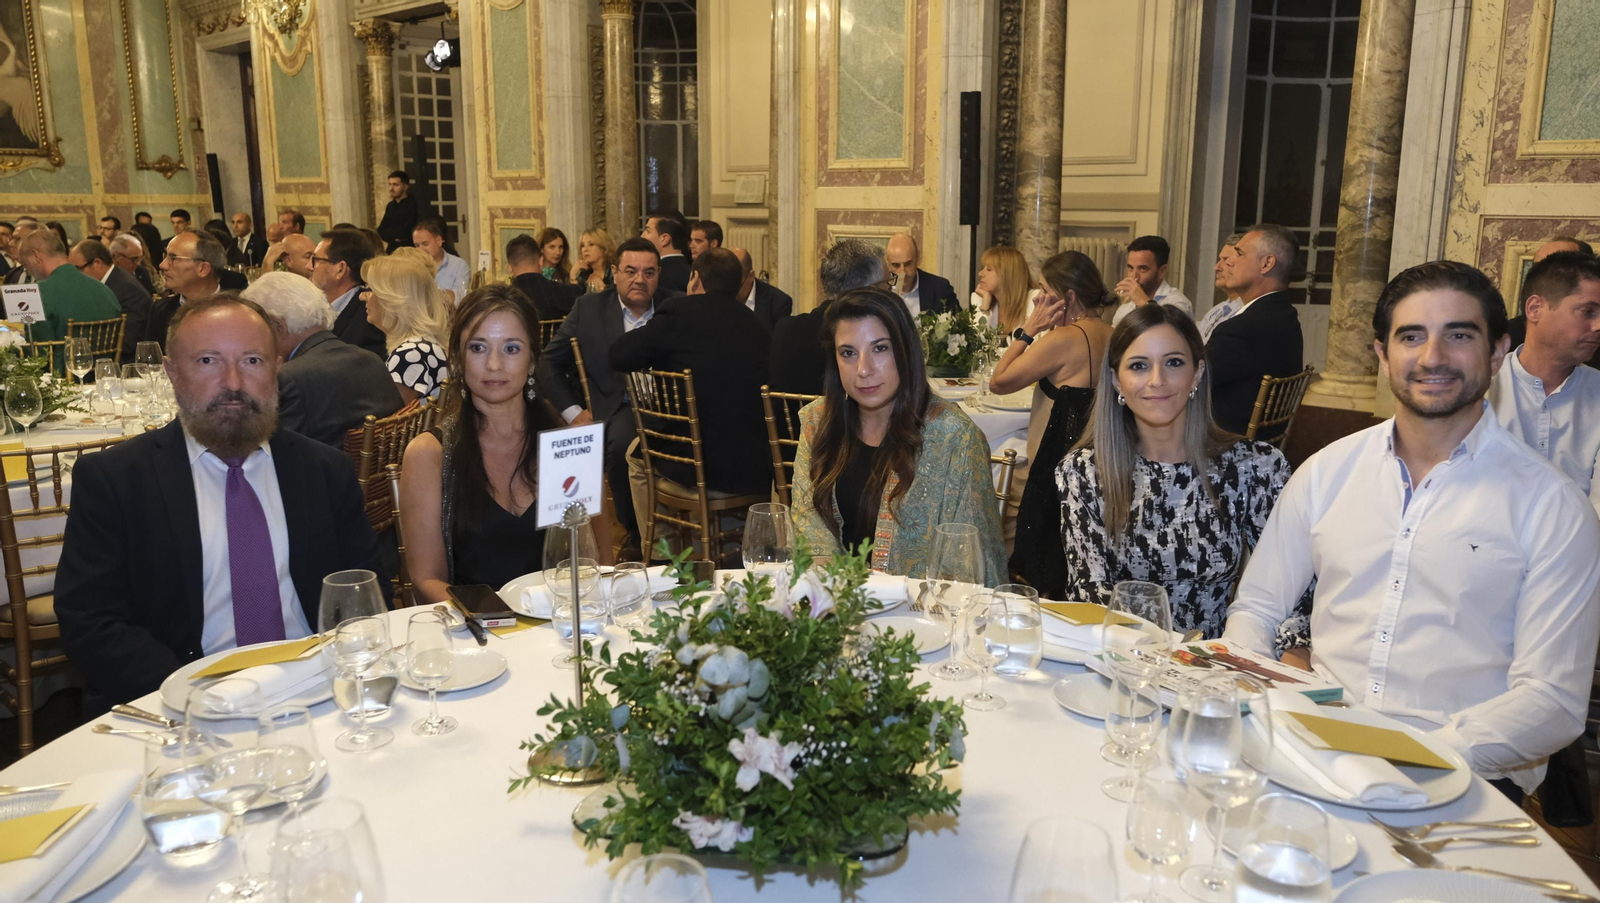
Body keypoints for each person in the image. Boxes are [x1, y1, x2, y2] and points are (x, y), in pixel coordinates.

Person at [1224, 260, 1600, 801]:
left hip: (1463, 778)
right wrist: (1270, 709)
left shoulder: (1552, 506)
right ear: (1381, 354)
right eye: (1411, 336)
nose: (1433, 357)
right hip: (1312, 752)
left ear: (1497, 352)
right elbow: (1256, 611)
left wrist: (1418, 758)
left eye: (1459, 335)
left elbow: (1553, 700)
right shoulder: (1327, 472)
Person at [55, 294, 389, 709]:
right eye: (208, 361)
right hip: (182, 698)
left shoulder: (324, 471)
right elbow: (90, 622)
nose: (233, 383)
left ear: (277, 371)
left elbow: (365, 592)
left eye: (252, 361)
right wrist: (194, 697)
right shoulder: (116, 480)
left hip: (317, 690)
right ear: (172, 373)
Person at [1056, 304, 1294, 640]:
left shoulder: (1253, 468)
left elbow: (1290, 584)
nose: (1157, 380)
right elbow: (1089, 593)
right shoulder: (1084, 473)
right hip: (1123, 659)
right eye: (1139, 366)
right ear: (1115, 381)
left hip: (1214, 664)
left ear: (1197, 373)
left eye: (1173, 363)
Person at [791, 287, 1004, 579]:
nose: (863, 370)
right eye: (848, 353)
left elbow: (970, 561)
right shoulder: (818, 422)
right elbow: (807, 519)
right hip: (836, 602)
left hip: (920, 613)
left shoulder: (954, 437)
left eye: (880, 348)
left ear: (905, 351)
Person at [610, 248, 773, 532]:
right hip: (755, 468)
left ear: (695, 278)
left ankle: (661, 550)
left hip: (695, 465)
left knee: (635, 457)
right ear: (740, 284)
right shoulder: (757, 325)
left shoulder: (680, 312)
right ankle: (727, 545)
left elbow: (619, 355)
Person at [400, 286, 546, 602]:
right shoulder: (430, 455)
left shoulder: (563, 445)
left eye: (511, 348)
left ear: (532, 360)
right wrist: (496, 621)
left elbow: (595, 562)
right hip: (472, 634)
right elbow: (426, 580)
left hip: (557, 630)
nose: (494, 364)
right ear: (458, 359)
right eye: (478, 348)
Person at [536, 237, 678, 559]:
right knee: (620, 441)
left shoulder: (675, 306)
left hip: (674, 409)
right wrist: (573, 413)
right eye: (630, 271)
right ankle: (636, 533)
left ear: (659, 276)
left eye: (649, 272)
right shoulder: (589, 309)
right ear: (615, 272)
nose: (639, 279)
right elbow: (548, 362)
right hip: (621, 407)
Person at [988, 251, 1115, 597]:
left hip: (1051, 473)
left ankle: (997, 574)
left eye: (1044, 292)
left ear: (1069, 297)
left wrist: (1028, 330)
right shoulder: (1116, 334)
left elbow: (998, 382)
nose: (1039, 300)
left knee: (989, 477)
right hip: (1103, 464)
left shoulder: (1062, 340)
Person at [1489, 252, 1600, 509]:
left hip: (1581, 543)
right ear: (1535, 308)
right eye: (1588, 311)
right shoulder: (1481, 386)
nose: (1598, 325)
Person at [242, 272, 401, 447]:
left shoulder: (290, 379)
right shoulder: (372, 360)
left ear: (277, 327)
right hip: (379, 472)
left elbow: (275, 457)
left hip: (322, 473)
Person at [1206, 223, 1304, 435]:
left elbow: (1189, 380)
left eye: (1239, 253)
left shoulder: (1241, 329)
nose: (1228, 262)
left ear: (1266, 264)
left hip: (1226, 445)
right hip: (1262, 443)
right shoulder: (1285, 316)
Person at [769, 238, 890, 396]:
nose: (890, 293)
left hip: (788, 420)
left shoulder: (784, 329)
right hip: (842, 420)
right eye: (888, 284)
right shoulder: (865, 336)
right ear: (871, 290)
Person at [362, 253, 450, 404]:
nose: (364, 296)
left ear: (392, 300)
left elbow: (386, 419)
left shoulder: (411, 354)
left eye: (372, 289)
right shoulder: (422, 345)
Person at [15, 230, 122, 343]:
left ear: (36, 256)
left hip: (63, 360)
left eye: (26, 264)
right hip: (107, 360)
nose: (28, 271)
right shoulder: (105, 290)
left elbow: (38, 351)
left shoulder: (37, 293)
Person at [1505, 237, 1598, 364]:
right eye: (1540, 266)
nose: (1548, 274)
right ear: (1534, 308)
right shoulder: (1501, 338)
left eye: (1562, 266)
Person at [69, 238, 151, 362]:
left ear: (97, 263)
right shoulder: (112, 281)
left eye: (78, 269)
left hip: (127, 364)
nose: (74, 277)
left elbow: (129, 340)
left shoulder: (126, 289)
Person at [310, 228, 386, 359]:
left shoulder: (370, 315)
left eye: (316, 260)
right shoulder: (313, 307)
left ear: (340, 269)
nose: (309, 267)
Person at [147, 230, 227, 349]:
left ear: (203, 269)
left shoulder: (238, 312)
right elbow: (151, 361)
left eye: (173, 258)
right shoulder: (160, 310)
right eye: (166, 256)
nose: (162, 265)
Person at [1111, 235, 1193, 326]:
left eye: (1143, 269)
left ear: (1162, 271)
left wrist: (1145, 304)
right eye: (1130, 268)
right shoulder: (1126, 306)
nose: (1134, 277)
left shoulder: (1177, 303)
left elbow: (1169, 336)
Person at [884, 232, 961, 319]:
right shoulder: (879, 291)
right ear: (888, 263)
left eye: (908, 264)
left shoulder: (940, 289)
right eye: (896, 265)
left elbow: (958, 326)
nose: (903, 272)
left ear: (918, 257)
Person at [507, 233, 579, 323]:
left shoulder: (505, 301)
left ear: (509, 268)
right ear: (541, 261)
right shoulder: (568, 293)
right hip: (555, 337)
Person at [968, 245, 1038, 333]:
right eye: (983, 268)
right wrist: (984, 309)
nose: (980, 273)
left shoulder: (1035, 300)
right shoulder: (984, 301)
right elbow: (976, 343)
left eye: (989, 269)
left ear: (1008, 274)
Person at [1195, 234, 1244, 343]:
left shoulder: (1248, 312)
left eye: (1226, 260)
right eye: (1219, 259)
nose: (1216, 267)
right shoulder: (1217, 310)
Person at [730, 246, 792, 330]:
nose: (730, 290)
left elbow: (777, 341)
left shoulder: (778, 302)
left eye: (737, 285)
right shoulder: (714, 296)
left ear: (751, 276)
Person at [414, 216, 468, 305]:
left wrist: (430, 296)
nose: (420, 250)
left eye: (425, 244)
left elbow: (461, 298)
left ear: (439, 241)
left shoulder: (459, 265)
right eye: (417, 245)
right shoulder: (412, 267)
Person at [642, 213, 691, 293]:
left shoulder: (655, 275)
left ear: (664, 239)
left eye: (648, 231)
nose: (642, 236)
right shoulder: (695, 272)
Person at [377, 170, 423, 252]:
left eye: (395, 185)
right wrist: (395, 238)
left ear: (405, 187)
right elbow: (381, 230)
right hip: (392, 249)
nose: (391, 188)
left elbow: (407, 230)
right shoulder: (390, 206)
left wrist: (391, 233)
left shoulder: (413, 204)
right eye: (390, 184)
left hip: (409, 249)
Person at [573, 227, 615, 294]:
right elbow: (575, 299)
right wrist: (573, 276)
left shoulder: (614, 271)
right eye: (582, 245)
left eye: (591, 244)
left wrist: (602, 288)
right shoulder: (583, 274)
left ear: (603, 247)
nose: (585, 249)